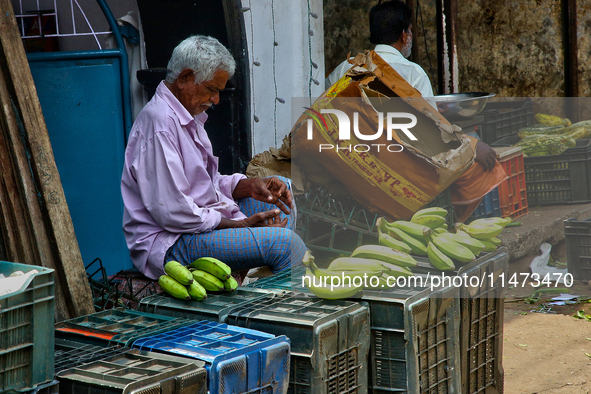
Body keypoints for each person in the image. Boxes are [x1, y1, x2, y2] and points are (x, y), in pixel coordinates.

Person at [121, 35, 307, 280]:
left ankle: (263, 288)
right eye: (212, 90)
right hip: (171, 243)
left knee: (280, 193)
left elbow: (205, 184)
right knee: (287, 245)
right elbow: (173, 212)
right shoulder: (160, 124)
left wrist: (250, 186)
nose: (216, 100)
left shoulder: (186, 114)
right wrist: (239, 224)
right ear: (185, 78)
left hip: (194, 224)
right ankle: (281, 309)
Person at [325, 0, 502, 221]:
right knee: (480, 154)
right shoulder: (412, 73)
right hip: (395, 169)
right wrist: (473, 147)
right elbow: (432, 137)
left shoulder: (345, 68)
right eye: (410, 30)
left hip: (351, 162)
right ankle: (466, 227)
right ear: (404, 35)